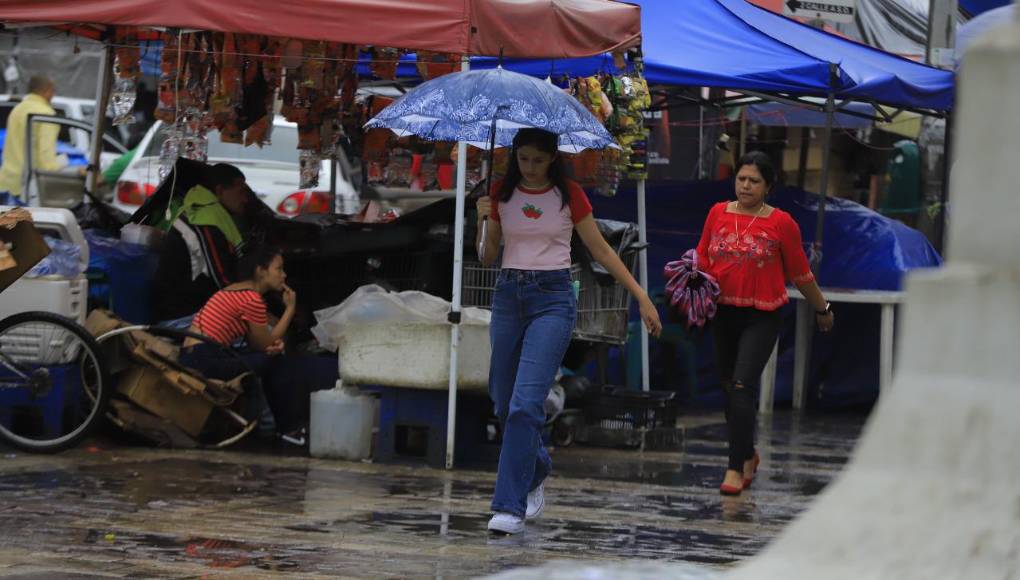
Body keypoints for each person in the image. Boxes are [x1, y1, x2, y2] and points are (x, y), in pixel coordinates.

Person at [475, 128, 662, 535]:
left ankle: (508, 506)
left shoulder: (569, 195)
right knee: (504, 404)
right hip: (508, 295)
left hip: (553, 300)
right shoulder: (499, 194)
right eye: (523, 159)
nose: (530, 168)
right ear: (514, 157)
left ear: (552, 159)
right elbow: (489, 257)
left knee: (527, 404)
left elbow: (602, 250)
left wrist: (641, 297)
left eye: (538, 160)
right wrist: (485, 220)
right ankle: (537, 466)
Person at [695, 151, 834, 496]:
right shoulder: (716, 213)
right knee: (729, 388)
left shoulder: (782, 223)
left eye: (754, 180)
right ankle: (747, 454)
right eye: (741, 178)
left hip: (762, 315)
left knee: (743, 386)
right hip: (721, 311)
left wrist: (822, 308)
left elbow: (801, 273)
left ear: (768, 186)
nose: (745, 185)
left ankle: (733, 466)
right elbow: (701, 256)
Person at [178, 245, 307, 439]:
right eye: (278, 269)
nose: (284, 275)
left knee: (262, 361)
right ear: (261, 271)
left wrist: (271, 346)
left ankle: (266, 425)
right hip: (205, 358)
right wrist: (290, 309)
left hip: (196, 355)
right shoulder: (251, 299)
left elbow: (258, 343)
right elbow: (264, 344)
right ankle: (281, 428)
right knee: (274, 362)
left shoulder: (234, 291)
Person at [150, 163, 253, 324]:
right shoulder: (203, 220)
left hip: (196, 309)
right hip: (180, 316)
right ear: (219, 191)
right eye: (241, 192)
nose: (245, 199)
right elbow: (223, 281)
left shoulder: (209, 214)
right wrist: (256, 293)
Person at [0, 75, 84, 201]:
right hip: (27, 189)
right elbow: (46, 162)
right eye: (53, 91)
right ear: (47, 91)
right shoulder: (46, 114)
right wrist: (70, 168)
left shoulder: (17, 110)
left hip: (6, 183)